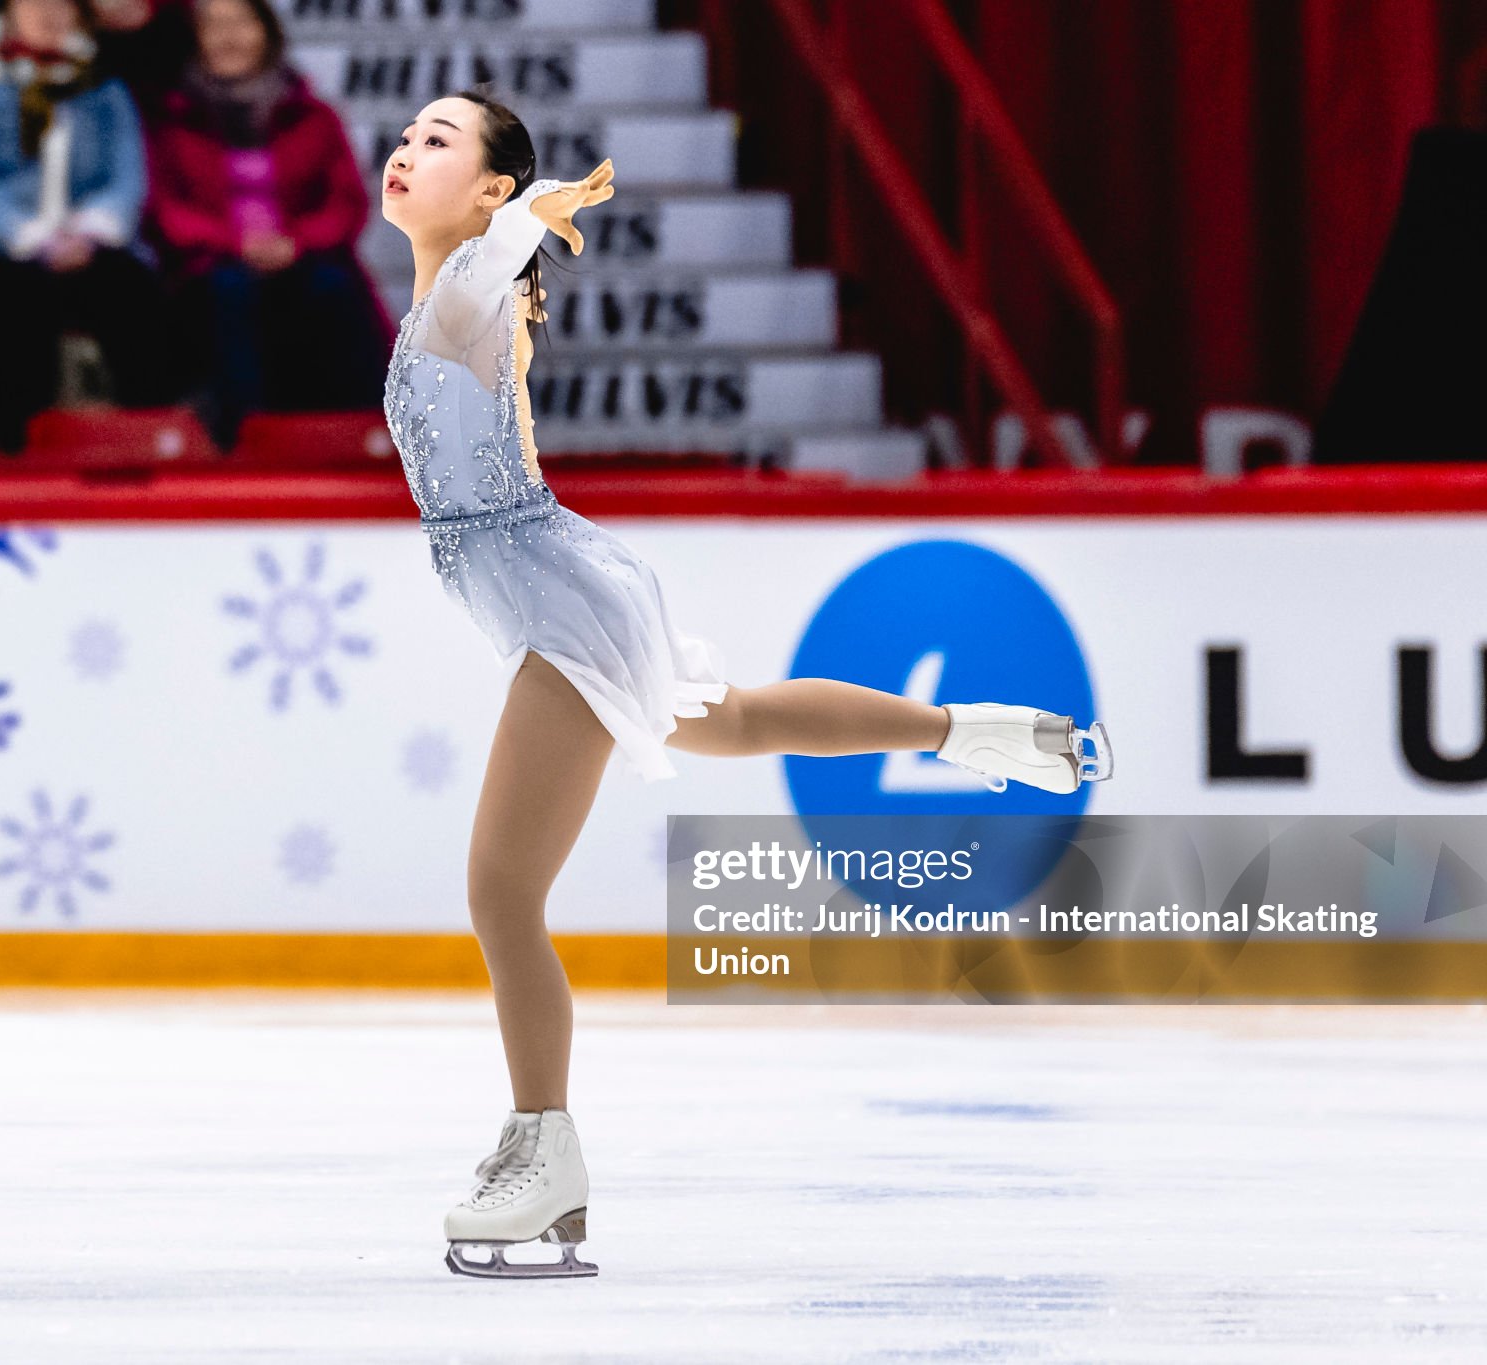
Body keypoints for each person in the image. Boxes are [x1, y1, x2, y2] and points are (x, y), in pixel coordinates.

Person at [379, 89, 1118, 1280]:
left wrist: (533, 213)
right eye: (407, 133)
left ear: (488, 190)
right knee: (741, 721)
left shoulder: (473, 286)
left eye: (437, 141)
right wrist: (520, 218)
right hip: (564, 587)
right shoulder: (445, 297)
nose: (406, 149)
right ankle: (985, 735)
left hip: (561, 610)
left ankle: (543, 1155)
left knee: (501, 893)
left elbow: (493, 262)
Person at [0, 0, 178, 449]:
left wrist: (91, 229)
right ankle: (18, 450)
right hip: (0, 243)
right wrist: (34, 237)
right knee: (20, 306)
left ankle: (150, 441)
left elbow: (127, 171)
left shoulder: (101, 81)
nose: (48, 13)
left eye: (62, 4)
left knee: (133, 296)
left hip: (89, 240)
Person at [146, 0, 391, 449]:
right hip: (211, 264)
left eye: (241, 24)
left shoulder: (313, 115)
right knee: (228, 292)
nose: (229, 37)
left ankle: (364, 438)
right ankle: (245, 440)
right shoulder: (173, 119)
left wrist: (295, 243)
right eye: (214, 26)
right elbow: (166, 210)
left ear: (268, 34)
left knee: (334, 290)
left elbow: (346, 203)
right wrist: (235, 244)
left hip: (302, 258)